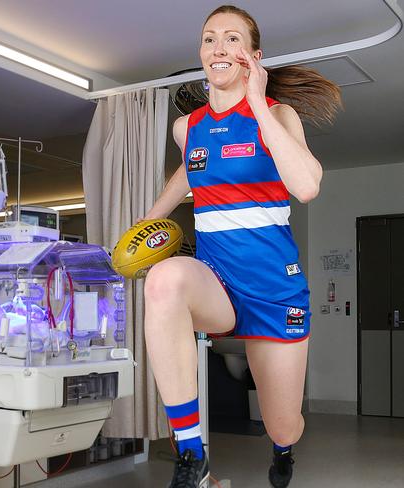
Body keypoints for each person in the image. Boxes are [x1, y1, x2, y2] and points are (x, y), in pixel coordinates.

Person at [142, 5, 341, 488]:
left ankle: (283, 446)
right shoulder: (187, 128)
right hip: (219, 283)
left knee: (282, 421)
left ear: (254, 56)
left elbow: (307, 185)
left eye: (233, 39)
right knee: (164, 278)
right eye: (210, 39)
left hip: (275, 290)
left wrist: (256, 101)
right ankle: (192, 452)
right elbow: (189, 171)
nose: (218, 48)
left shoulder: (278, 116)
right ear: (202, 54)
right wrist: (142, 227)